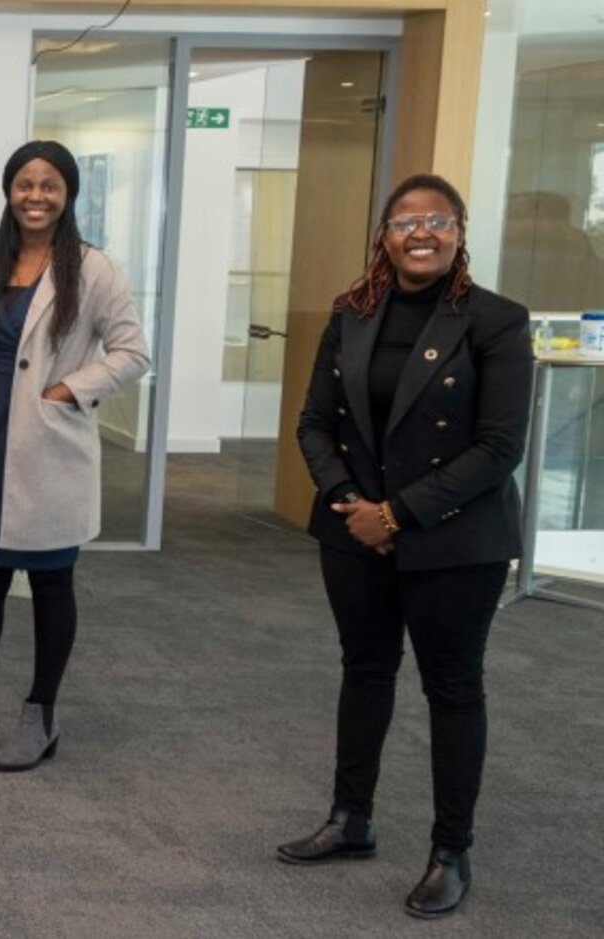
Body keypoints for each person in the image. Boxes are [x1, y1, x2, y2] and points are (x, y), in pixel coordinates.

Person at [280, 174, 533, 920]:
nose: (420, 233)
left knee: (452, 688)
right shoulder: (351, 314)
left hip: (456, 539)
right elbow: (313, 424)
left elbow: (499, 446)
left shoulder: (497, 321)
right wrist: (349, 503)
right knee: (364, 670)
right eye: (404, 222)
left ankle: (451, 850)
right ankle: (350, 818)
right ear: (383, 235)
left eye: (436, 220)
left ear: (459, 232)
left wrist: (396, 515)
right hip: (354, 531)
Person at [0, 140, 149, 772]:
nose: (36, 196)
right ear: (9, 191)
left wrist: (69, 389)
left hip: (47, 442)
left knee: (52, 583)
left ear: (68, 194)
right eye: (25, 184)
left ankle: (40, 715)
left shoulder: (93, 268)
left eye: (49, 185)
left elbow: (132, 352)